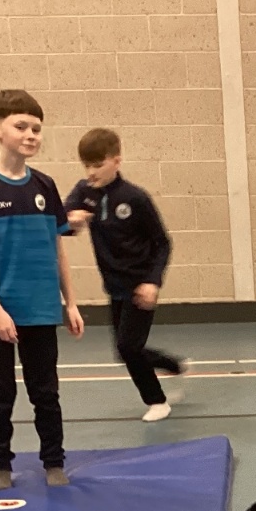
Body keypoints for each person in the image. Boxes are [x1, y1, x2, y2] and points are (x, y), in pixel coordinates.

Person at [0, 89, 84, 489]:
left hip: (40, 309)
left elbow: (57, 247)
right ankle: (0, 465)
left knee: (46, 392)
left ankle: (53, 461)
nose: (31, 135)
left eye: (37, 128)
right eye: (21, 126)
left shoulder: (45, 185)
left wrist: (70, 302)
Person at [64, 128, 183, 423]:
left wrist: (152, 281)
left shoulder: (135, 198)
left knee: (128, 347)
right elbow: (61, 223)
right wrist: (71, 222)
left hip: (139, 285)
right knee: (125, 350)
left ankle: (158, 401)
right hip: (114, 285)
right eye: (87, 165)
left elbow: (162, 243)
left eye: (98, 165)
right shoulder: (84, 192)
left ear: (116, 161)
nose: (91, 172)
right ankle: (171, 363)